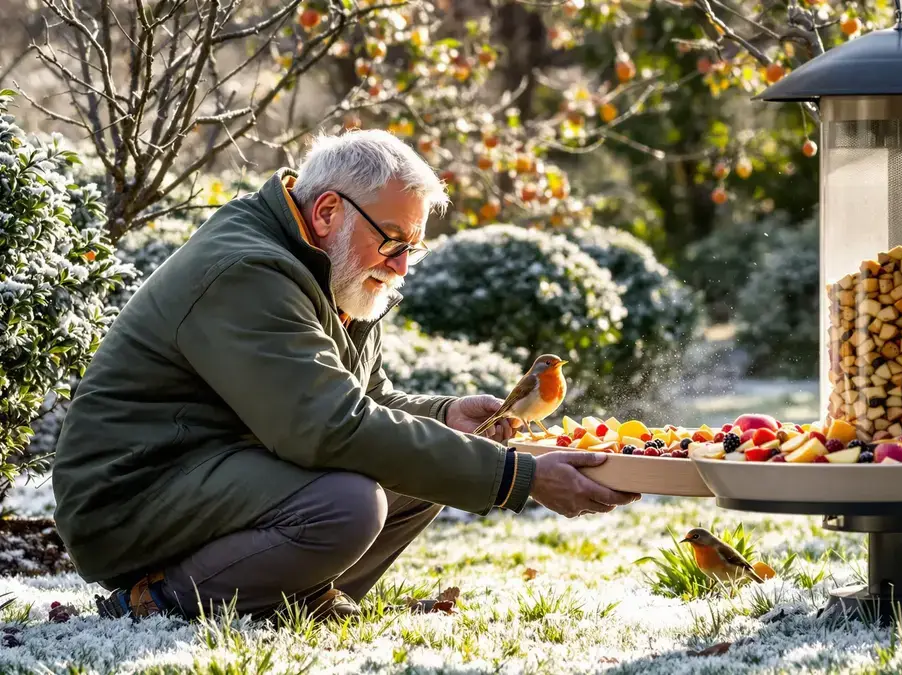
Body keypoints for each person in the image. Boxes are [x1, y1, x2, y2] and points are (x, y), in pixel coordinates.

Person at [51, 129, 640, 622]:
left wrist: (445, 416)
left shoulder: (337, 270)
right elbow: (327, 426)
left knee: (438, 455)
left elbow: (368, 402)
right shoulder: (246, 270)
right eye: (393, 240)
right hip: (133, 497)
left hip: (219, 471)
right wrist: (518, 477)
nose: (403, 264)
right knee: (347, 503)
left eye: (414, 246)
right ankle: (158, 602)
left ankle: (292, 605)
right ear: (329, 210)